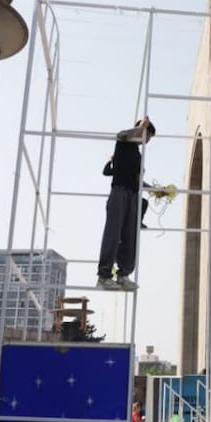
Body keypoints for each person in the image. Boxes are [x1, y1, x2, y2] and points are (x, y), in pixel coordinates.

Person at [96, 117, 155, 291]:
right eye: (147, 136)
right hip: (119, 192)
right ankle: (104, 275)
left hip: (132, 195)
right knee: (113, 234)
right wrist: (139, 128)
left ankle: (123, 275)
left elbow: (138, 180)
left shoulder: (138, 155)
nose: (147, 141)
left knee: (130, 237)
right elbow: (121, 134)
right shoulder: (123, 142)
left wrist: (155, 189)